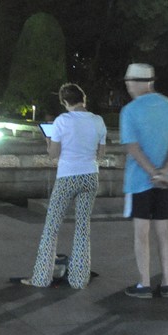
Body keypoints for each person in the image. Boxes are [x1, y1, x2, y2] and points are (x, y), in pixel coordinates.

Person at [21, 83, 107, 289]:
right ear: (83, 99)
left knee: (51, 227)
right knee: (82, 227)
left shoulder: (62, 121)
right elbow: (101, 154)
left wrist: (48, 139)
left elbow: (53, 154)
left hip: (68, 177)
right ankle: (79, 279)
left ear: (65, 102)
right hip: (90, 176)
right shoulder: (98, 121)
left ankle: (41, 277)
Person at [120, 63, 168, 299]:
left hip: (139, 181)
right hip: (166, 181)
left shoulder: (130, 110)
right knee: (164, 229)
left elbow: (132, 147)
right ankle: (167, 283)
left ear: (140, 82)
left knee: (141, 233)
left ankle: (144, 284)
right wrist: (164, 171)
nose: (127, 86)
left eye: (129, 82)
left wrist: (151, 172)